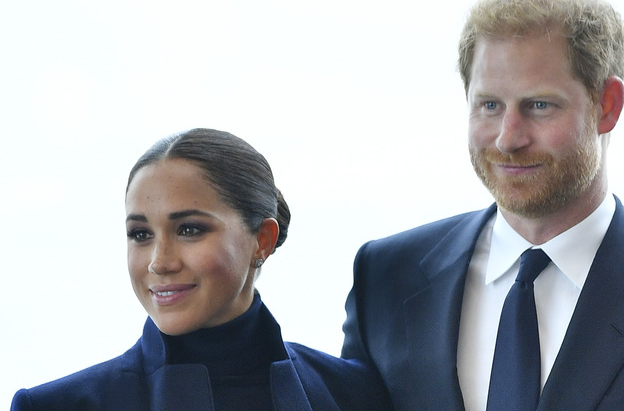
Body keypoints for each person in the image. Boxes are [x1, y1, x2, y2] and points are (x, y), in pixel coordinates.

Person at [341, 0, 624, 410]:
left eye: (539, 106)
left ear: (607, 105)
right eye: (490, 105)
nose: (507, 139)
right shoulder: (384, 280)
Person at [12, 128, 393, 411]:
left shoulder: (353, 394)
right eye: (140, 234)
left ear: (262, 239)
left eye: (189, 229)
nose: (160, 261)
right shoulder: (55, 406)